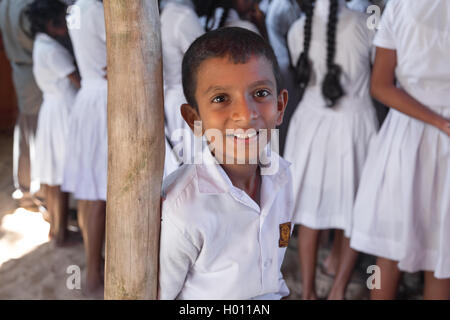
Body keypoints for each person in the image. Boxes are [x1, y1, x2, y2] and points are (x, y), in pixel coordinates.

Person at [159, 27, 293, 300]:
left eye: (260, 93)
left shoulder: (283, 176)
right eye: (220, 99)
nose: (245, 115)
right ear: (193, 118)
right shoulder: (181, 209)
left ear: (280, 107)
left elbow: (271, 271)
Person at [350, 0, 450, 300]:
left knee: (388, 252)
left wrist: (438, 121)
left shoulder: (399, 6)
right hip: (440, 141)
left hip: (407, 135)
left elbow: (380, 86)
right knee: (441, 257)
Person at [284, 0, 378, 299]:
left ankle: (308, 291)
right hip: (355, 125)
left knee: (309, 211)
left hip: (310, 125)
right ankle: (338, 290)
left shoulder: (297, 29)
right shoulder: (367, 25)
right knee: (355, 211)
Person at [26, 0, 80, 246]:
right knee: (59, 174)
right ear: (51, 23)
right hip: (62, 112)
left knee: (53, 174)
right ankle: (61, 233)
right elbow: (77, 81)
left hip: (53, 109)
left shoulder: (41, 44)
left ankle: (56, 228)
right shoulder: (53, 50)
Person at [62, 0, 107, 296]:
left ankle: (92, 264)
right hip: (102, 100)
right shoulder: (97, 10)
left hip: (89, 96)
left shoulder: (76, 9)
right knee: (99, 194)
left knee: (90, 193)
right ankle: (92, 272)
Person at [0, 0, 43, 209]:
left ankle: (26, 188)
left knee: (26, 127)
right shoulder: (25, 5)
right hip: (34, 70)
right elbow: (34, 38)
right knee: (37, 130)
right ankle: (38, 192)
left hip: (20, 69)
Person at [265, 0, 302, 155]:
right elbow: (293, 37)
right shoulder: (284, 6)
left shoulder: (286, 4)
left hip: (284, 63)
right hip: (284, 64)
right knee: (286, 115)